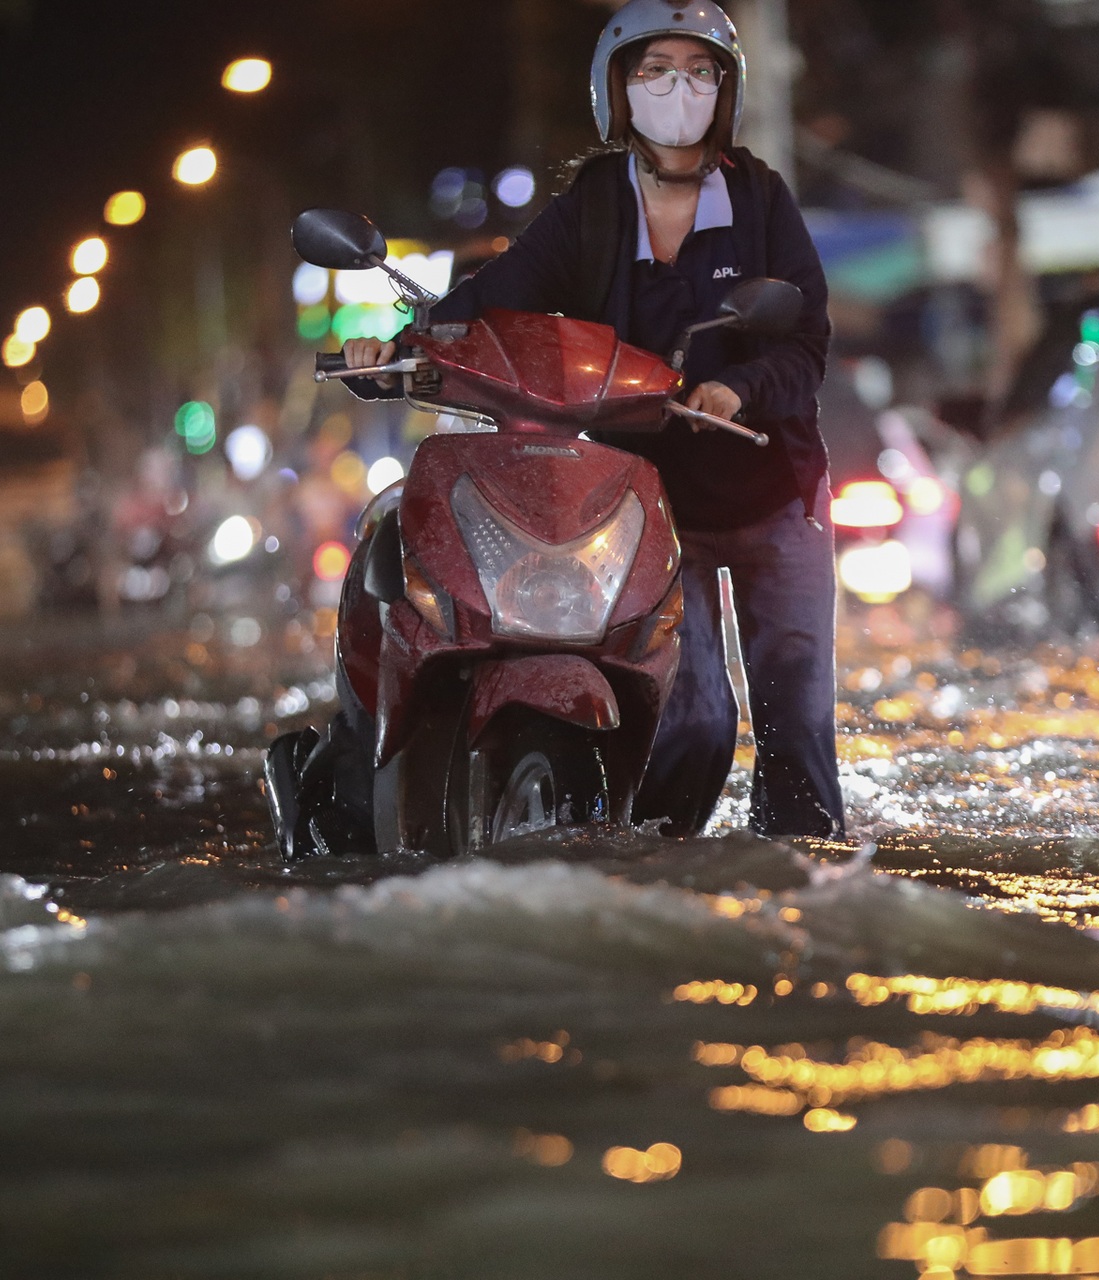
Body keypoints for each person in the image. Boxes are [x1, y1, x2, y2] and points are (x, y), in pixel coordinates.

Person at [341, 0, 843, 839]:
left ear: (726, 90)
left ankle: (801, 879)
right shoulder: (594, 207)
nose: (676, 88)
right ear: (618, 89)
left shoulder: (761, 198)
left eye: (697, 70)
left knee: (799, 729)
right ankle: (661, 870)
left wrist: (738, 390)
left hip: (772, 493)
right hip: (646, 506)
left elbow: (807, 344)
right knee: (693, 720)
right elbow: (492, 304)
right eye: (655, 70)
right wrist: (398, 347)